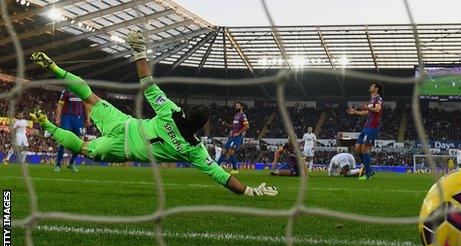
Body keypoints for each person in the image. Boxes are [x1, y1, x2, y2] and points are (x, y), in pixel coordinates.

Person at [29, 31, 276, 196]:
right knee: (82, 148)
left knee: (89, 96)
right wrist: (250, 191)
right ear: (201, 128)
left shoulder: (171, 111)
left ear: (187, 112)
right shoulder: (194, 149)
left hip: (124, 123)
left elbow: (146, 82)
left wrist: (140, 52)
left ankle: (56, 69)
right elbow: (221, 176)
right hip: (122, 149)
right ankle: (47, 125)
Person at [346, 82, 383, 180]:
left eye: (372, 86)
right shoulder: (371, 100)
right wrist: (355, 112)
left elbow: (377, 110)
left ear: (376, 89)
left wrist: (367, 107)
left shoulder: (378, 99)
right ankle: (369, 169)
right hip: (366, 127)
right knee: (357, 148)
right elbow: (366, 112)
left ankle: (368, 174)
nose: (370, 87)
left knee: (365, 149)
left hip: (372, 128)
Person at [54, 89, 90, 173]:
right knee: (63, 141)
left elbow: (86, 106)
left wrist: (88, 119)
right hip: (67, 118)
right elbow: (60, 105)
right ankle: (58, 164)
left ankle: (71, 163)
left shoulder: (81, 92)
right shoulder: (66, 91)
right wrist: (58, 118)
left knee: (80, 143)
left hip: (79, 119)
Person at [216, 102, 249, 174]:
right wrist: (226, 124)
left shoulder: (243, 116)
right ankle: (216, 167)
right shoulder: (236, 115)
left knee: (230, 152)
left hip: (237, 137)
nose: (236, 107)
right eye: (236, 105)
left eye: (238, 105)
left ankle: (235, 169)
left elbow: (247, 126)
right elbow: (233, 127)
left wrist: (239, 133)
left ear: (241, 107)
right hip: (232, 137)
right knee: (223, 151)